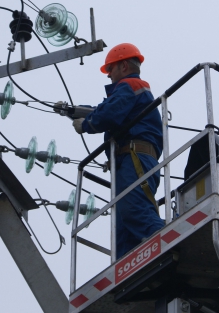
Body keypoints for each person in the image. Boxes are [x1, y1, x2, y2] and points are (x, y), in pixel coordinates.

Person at [67, 43, 164, 258]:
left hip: (134, 156)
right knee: (123, 222)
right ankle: (128, 263)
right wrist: (72, 111)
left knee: (134, 209)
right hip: (130, 159)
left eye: (110, 69)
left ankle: (166, 238)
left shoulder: (129, 85)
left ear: (123, 66)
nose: (109, 75)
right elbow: (106, 110)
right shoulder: (132, 91)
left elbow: (108, 114)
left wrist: (86, 125)